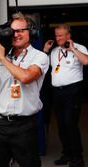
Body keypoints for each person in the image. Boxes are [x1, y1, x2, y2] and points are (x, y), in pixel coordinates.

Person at [0, 12, 49, 167]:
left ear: (31, 32)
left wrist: (2, 58)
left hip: (25, 127)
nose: (16, 34)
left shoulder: (40, 57)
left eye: (21, 30)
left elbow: (26, 77)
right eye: (13, 31)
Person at [43, 23, 88, 167]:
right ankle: (67, 154)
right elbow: (42, 66)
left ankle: (77, 157)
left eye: (61, 35)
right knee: (61, 125)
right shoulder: (55, 51)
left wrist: (73, 48)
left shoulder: (80, 48)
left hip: (72, 91)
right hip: (57, 92)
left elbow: (86, 61)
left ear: (68, 35)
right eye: (56, 35)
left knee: (70, 123)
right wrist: (45, 50)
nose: (58, 38)